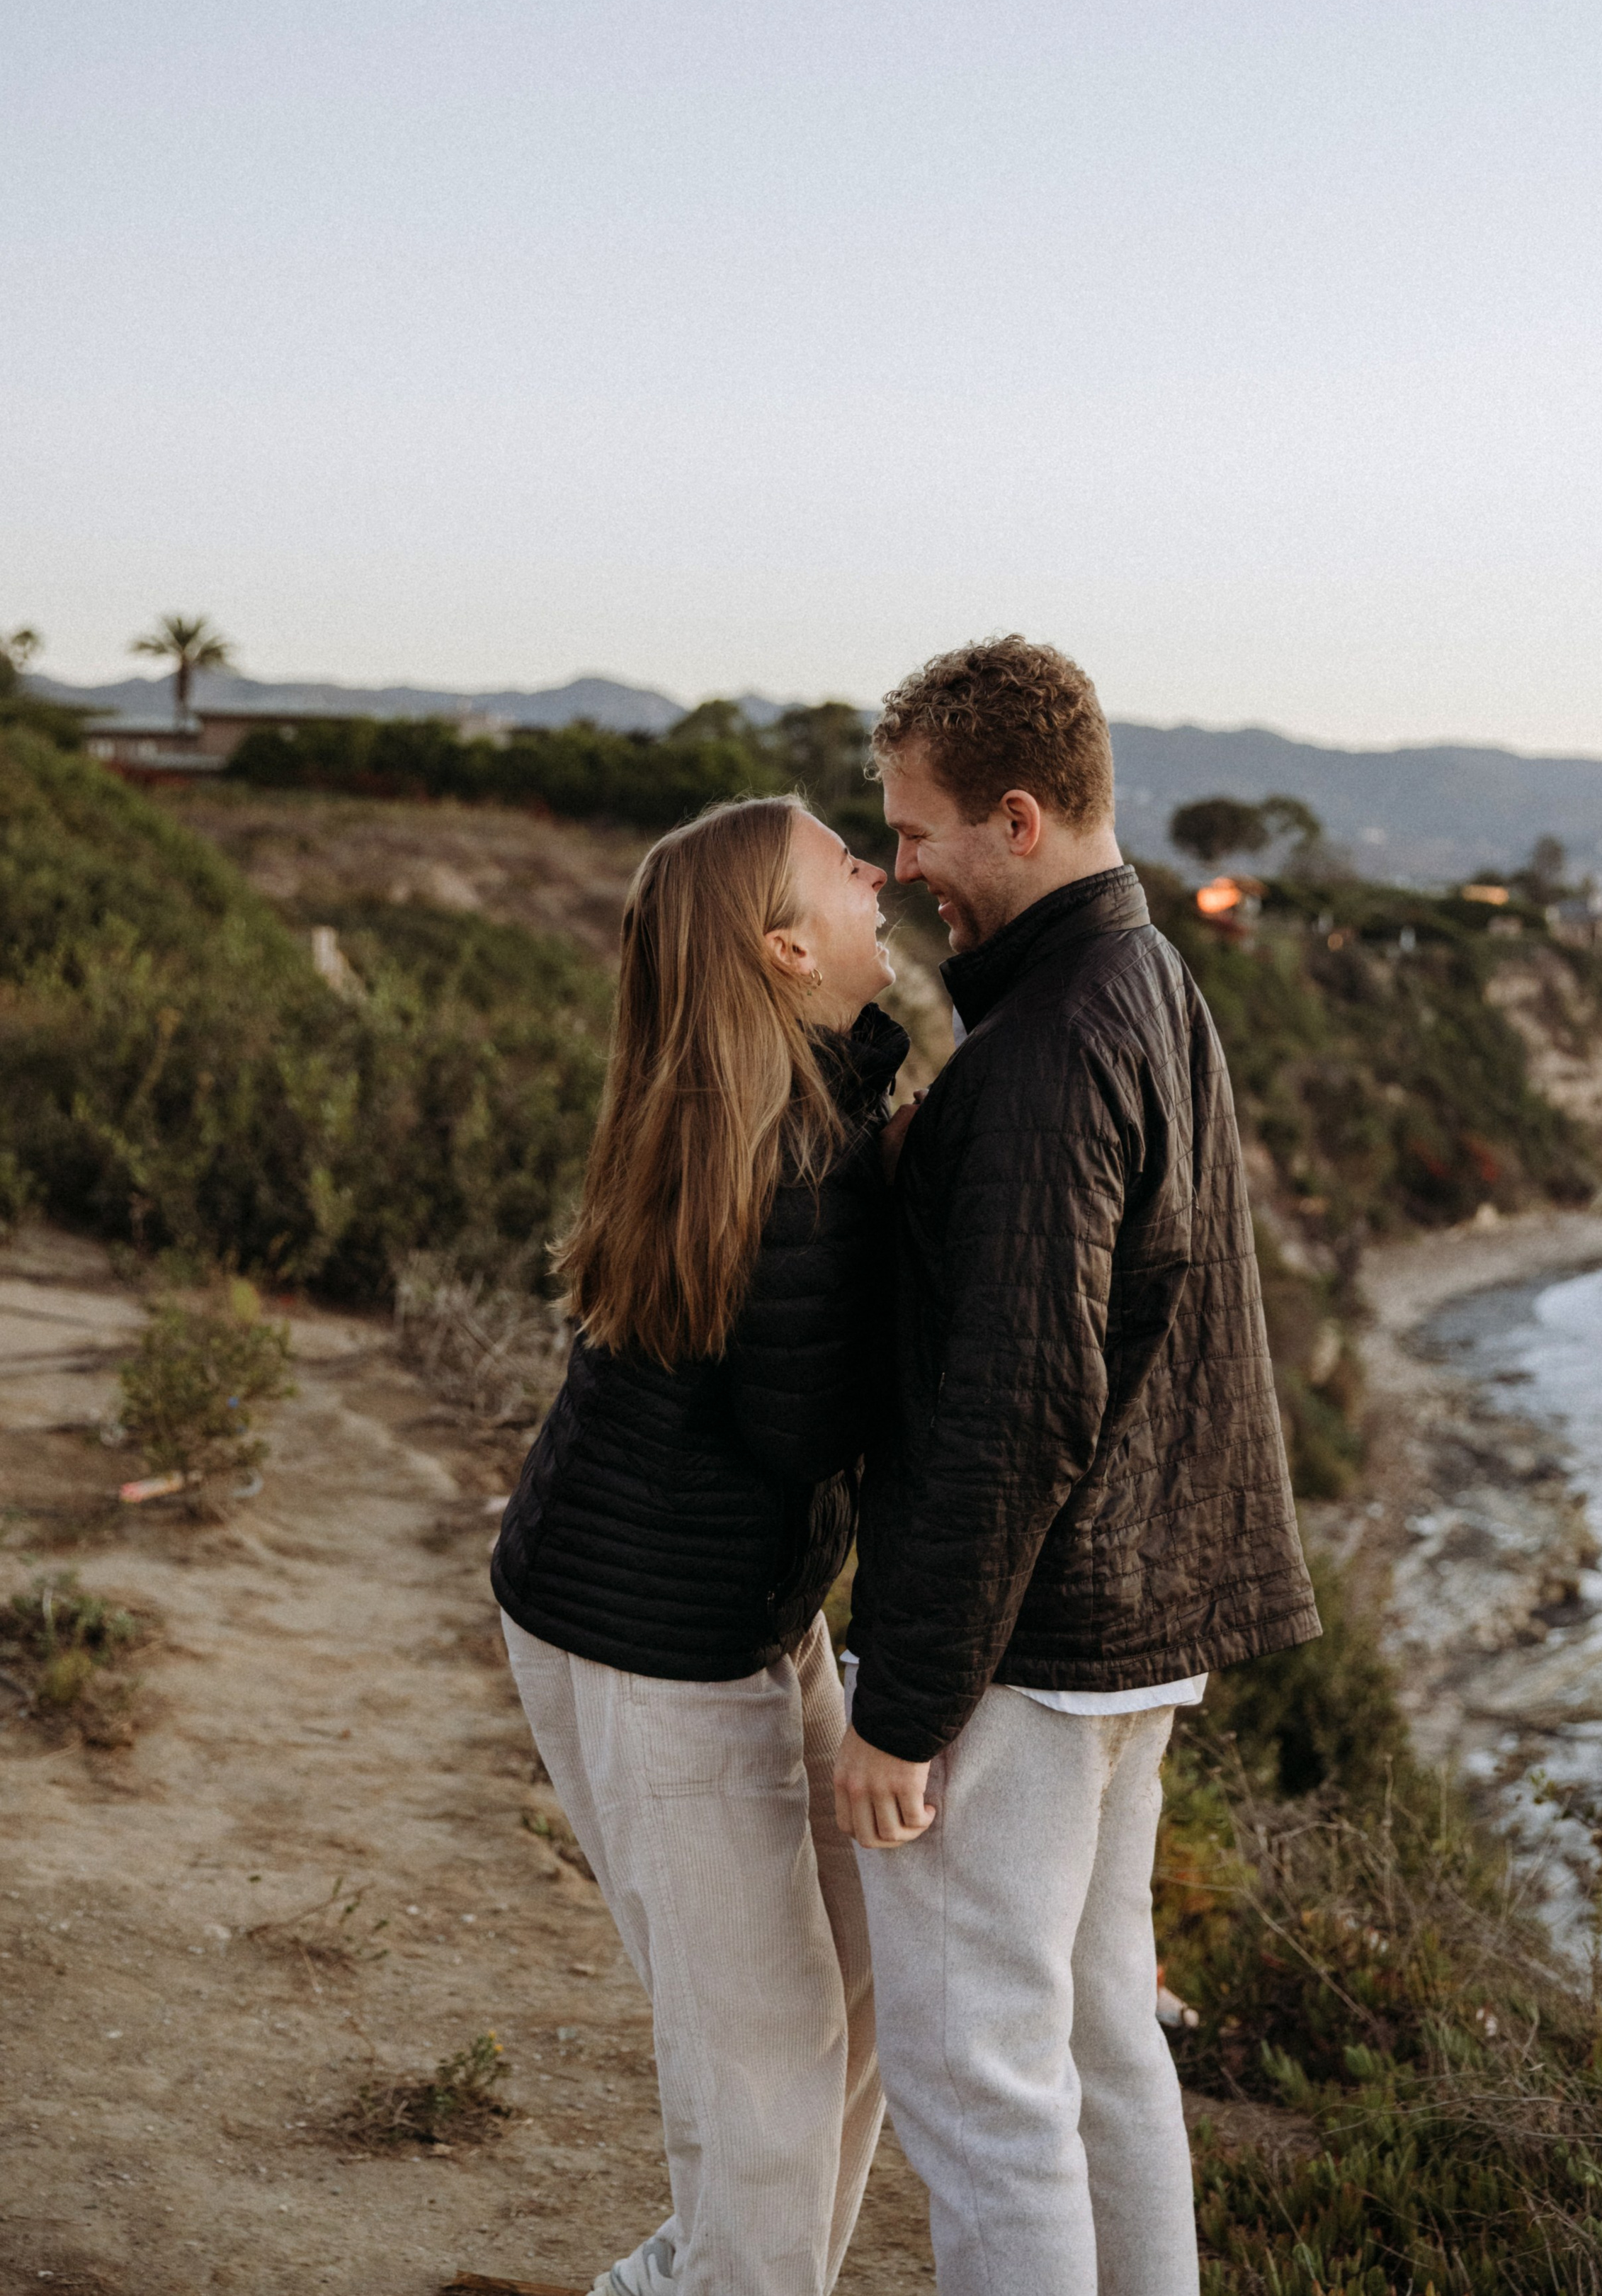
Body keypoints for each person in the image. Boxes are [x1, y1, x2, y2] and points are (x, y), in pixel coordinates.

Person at [836, 635, 1320, 2296]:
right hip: (1134, 1629)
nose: (900, 869)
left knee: (982, 2078)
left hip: (1032, 1645)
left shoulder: (1046, 1044)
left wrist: (901, 1704)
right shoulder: (1145, 983)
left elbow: (1016, 1402)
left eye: (916, 832)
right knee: (1103, 2035)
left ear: (1021, 817)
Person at [492, 796, 909, 2296]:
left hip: (728, 1611)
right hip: (650, 1642)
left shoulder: (778, 1099)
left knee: (852, 1994)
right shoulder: (783, 1158)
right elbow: (817, 1428)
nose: (878, 869)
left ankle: (713, 2272)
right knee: (764, 2056)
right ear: (784, 944)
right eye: (842, 861)